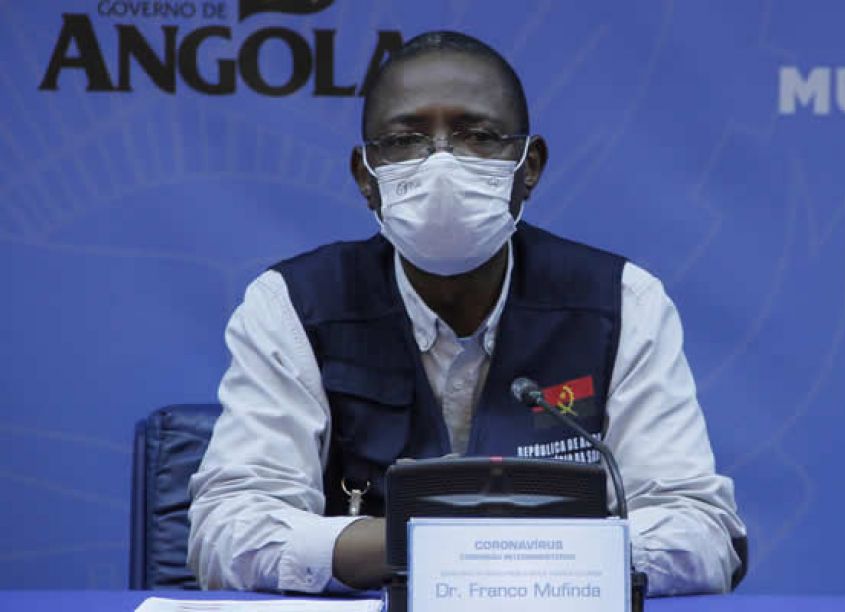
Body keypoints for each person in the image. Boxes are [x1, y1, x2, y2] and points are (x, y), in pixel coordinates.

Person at [187, 30, 746, 597]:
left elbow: (702, 534)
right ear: (365, 175)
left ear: (530, 166)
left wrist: (497, 556)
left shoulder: (621, 302)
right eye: (404, 141)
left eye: (478, 136)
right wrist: (459, 548)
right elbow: (228, 532)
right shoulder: (293, 305)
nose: (442, 165)